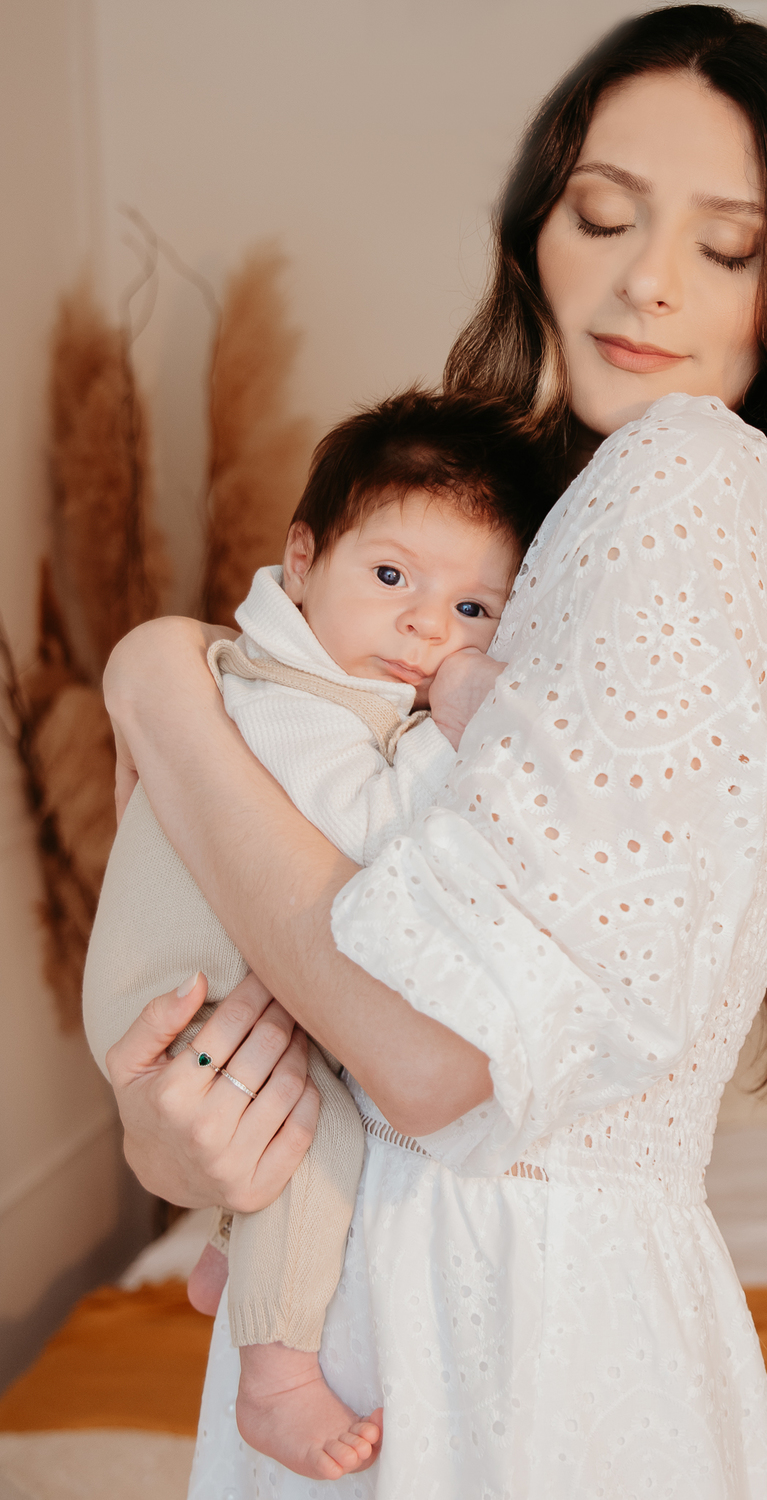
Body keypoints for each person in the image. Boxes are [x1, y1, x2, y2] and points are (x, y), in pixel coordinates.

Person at [101, 8, 767, 1496]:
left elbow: (437, 1060)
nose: (645, 280)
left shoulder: (691, 484)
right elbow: (329, 1012)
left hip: (502, 1336)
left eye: (728, 245)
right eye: (606, 214)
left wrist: (161, 691)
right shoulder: (538, 534)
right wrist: (175, 1142)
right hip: (428, 1303)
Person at [84, 386, 557, 1478]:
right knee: (315, 1132)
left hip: (229, 980)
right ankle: (277, 1375)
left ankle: (229, 1257)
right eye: (392, 578)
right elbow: (377, 831)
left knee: (313, 1101)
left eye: (474, 611)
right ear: (301, 563)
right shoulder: (286, 696)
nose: (426, 628)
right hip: (177, 993)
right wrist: (463, 725)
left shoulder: (313, 677)